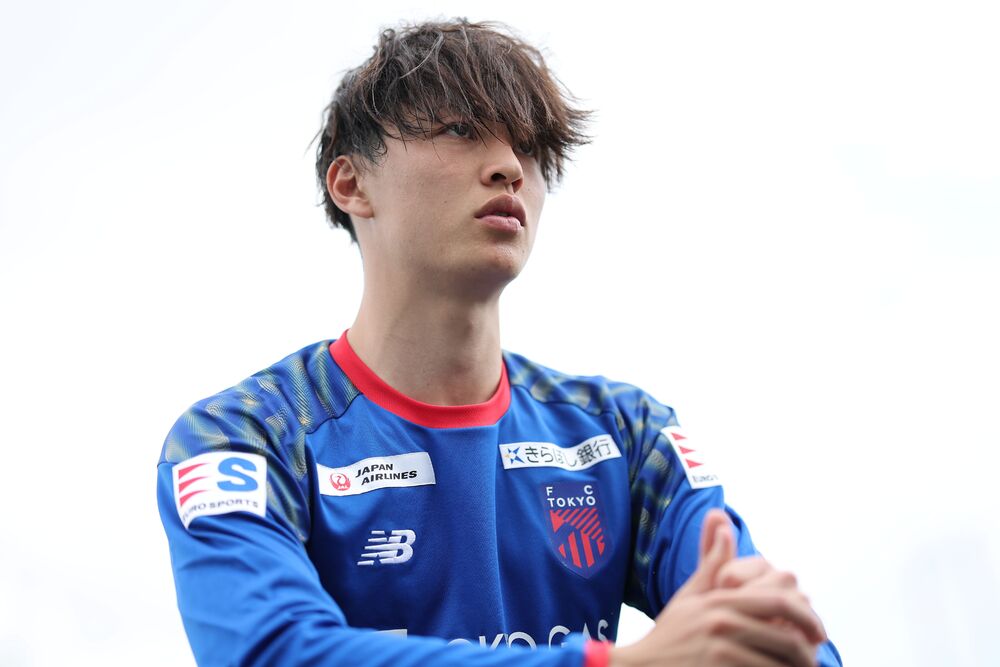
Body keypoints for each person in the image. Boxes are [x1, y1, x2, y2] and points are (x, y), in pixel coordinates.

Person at [157, 18, 843, 667]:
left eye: (531, 148)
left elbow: (783, 641)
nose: (509, 167)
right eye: (461, 130)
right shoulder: (244, 436)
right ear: (351, 183)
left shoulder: (625, 433)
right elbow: (276, 652)